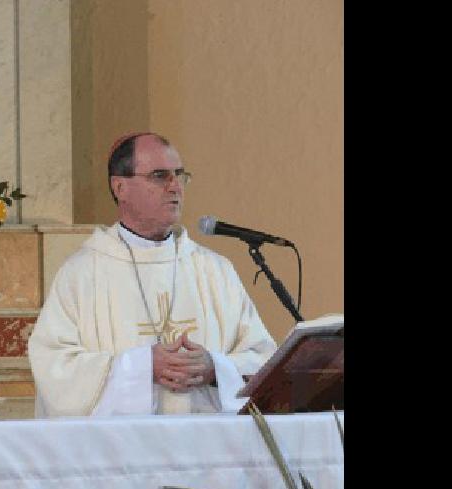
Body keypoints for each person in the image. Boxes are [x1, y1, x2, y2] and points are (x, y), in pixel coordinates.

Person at [28, 132, 277, 417]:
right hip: (123, 451)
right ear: (120, 187)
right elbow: (55, 368)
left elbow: (264, 359)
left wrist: (215, 368)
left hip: (209, 448)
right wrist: (142, 367)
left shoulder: (214, 270)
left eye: (180, 175)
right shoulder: (82, 274)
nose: (175, 187)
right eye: (160, 176)